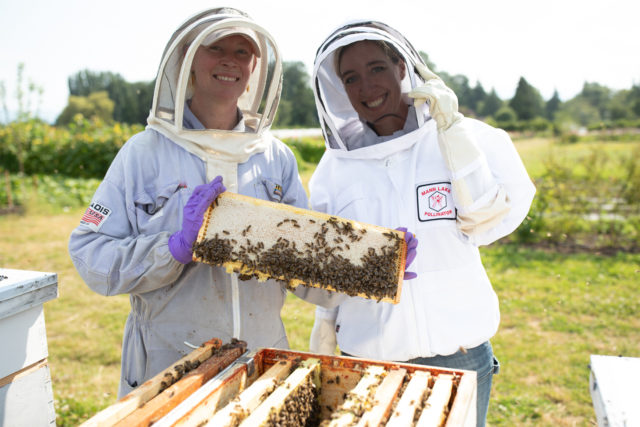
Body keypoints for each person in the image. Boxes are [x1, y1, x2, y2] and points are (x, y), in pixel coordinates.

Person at [68, 7, 331, 398]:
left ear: (255, 67)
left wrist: (368, 262)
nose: (229, 59)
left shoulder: (276, 157)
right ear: (188, 60)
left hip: (262, 360)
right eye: (215, 47)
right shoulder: (143, 153)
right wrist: (173, 248)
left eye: (242, 51)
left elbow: (301, 266)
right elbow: (91, 255)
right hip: (170, 367)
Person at [307, 20, 536, 426]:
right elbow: (324, 267)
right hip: (369, 360)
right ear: (339, 88)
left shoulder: (466, 138)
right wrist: (326, 322)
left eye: (377, 68)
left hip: (458, 357)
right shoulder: (333, 170)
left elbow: (488, 222)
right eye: (351, 77)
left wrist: (456, 138)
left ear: (402, 67)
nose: (367, 87)